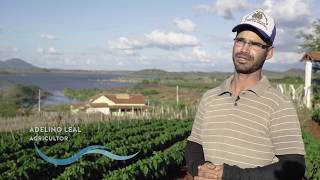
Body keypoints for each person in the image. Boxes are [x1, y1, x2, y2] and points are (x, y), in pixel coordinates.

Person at [185, 9, 306, 180]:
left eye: (255, 44)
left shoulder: (279, 105)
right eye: (240, 40)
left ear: (269, 52)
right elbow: (194, 143)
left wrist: (229, 175)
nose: (244, 49)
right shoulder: (210, 97)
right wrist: (200, 168)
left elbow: (294, 166)